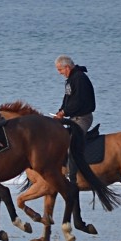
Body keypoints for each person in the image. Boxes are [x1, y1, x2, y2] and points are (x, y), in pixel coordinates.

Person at [53, 54, 96, 186]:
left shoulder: (79, 78)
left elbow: (79, 101)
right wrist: (60, 111)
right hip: (73, 117)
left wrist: (64, 112)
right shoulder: (71, 79)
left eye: (60, 70)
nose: (59, 73)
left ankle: (72, 179)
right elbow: (67, 99)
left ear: (67, 67)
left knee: (72, 145)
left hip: (83, 118)